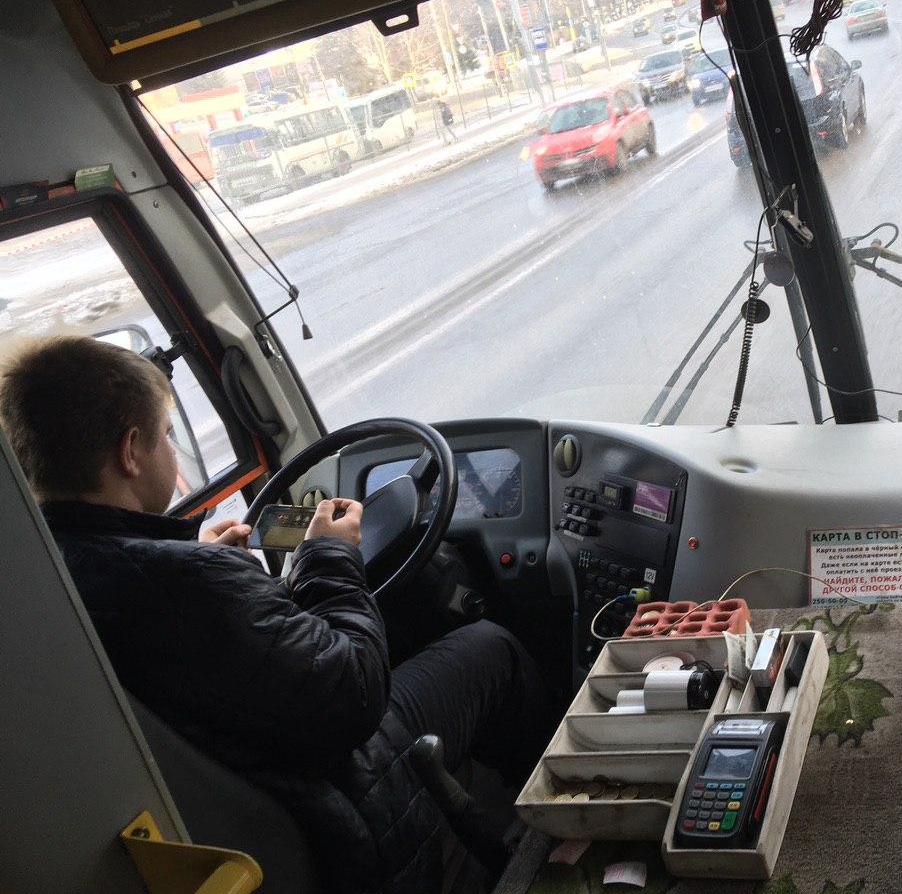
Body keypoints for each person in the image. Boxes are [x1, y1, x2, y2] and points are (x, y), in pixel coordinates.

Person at [0, 336, 555, 894]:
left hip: (251, 781)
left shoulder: (45, 580)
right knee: (491, 647)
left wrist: (205, 563)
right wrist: (329, 554)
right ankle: (552, 835)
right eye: (168, 435)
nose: (172, 448)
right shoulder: (185, 580)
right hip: (337, 797)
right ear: (129, 452)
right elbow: (354, 693)